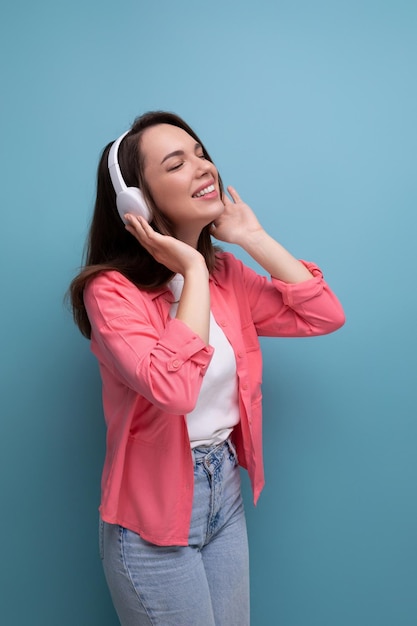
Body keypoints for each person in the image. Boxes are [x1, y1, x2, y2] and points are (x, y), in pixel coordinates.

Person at [69, 110, 345, 626]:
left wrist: (254, 237)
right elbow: (174, 390)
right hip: (151, 517)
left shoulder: (226, 275)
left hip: (223, 491)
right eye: (177, 163)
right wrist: (191, 269)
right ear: (137, 202)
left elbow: (323, 314)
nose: (203, 168)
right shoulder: (111, 293)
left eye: (201, 154)